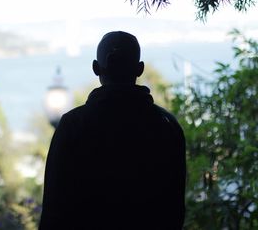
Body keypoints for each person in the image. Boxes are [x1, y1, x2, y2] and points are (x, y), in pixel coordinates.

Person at [39, 31, 186, 230]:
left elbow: (54, 209)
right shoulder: (167, 125)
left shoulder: (73, 125)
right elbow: (174, 209)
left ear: (96, 68)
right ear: (139, 69)